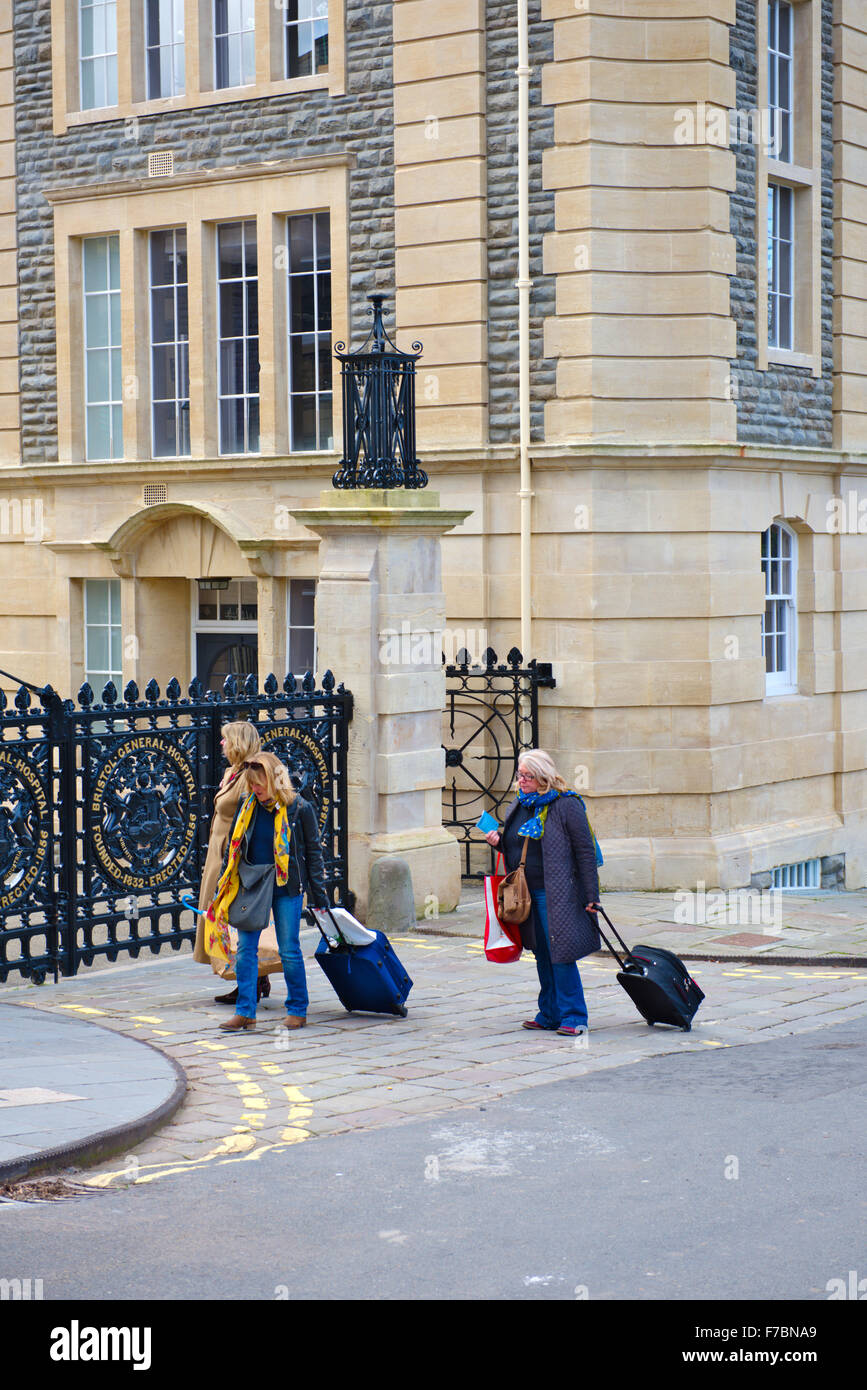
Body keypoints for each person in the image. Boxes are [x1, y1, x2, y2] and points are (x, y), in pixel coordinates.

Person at [206, 749, 329, 1033]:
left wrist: (320, 898)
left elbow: (314, 853)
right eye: (251, 784)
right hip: (252, 884)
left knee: (288, 950)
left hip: (286, 886)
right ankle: (245, 1011)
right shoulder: (246, 806)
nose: (255, 789)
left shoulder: (299, 808)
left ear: (274, 780)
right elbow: (234, 850)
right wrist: (223, 887)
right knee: (246, 950)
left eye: (259, 783)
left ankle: (298, 1008)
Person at [484, 749, 602, 1036]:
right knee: (540, 952)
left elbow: (585, 852)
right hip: (525, 892)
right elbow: (516, 846)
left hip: (557, 893)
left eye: (527, 776)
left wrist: (591, 896)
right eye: (519, 775)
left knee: (560, 953)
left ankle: (574, 1016)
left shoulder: (566, 805)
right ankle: (548, 1013)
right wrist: (498, 842)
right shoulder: (520, 804)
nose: (521, 781)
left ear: (543, 777)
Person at [192, 721, 280, 1003]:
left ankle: (248, 983)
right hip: (218, 852)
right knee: (231, 916)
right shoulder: (234, 772)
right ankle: (254, 979)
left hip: (233, 857)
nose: (221, 744)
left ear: (238, 743)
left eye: (225, 739)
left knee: (237, 916)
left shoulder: (251, 776)